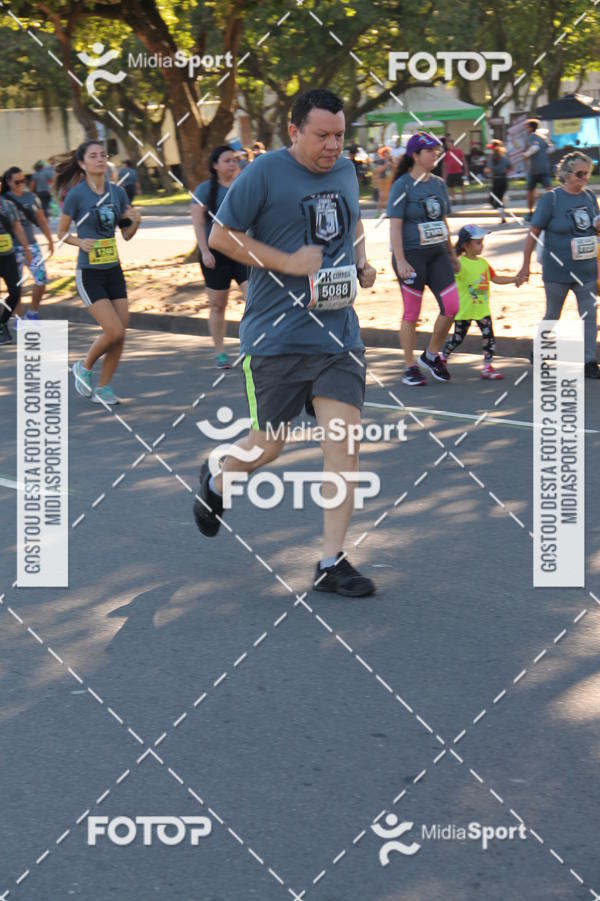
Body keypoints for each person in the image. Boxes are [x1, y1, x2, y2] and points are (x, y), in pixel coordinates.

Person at [193, 88, 378, 597]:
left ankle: (330, 562)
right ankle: (219, 477)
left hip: (338, 336)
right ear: (294, 131)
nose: (333, 145)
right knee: (268, 445)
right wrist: (288, 262)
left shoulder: (345, 170)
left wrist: (362, 262)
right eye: (322, 135)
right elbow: (221, 236)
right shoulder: (265, 172)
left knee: (345, 445)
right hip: (276, 339)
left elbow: (354, 221)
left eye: (339, 135)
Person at [55, 139, 141, 404]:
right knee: (113, 330)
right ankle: (83, 367)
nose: (100, 159)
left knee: (121, 333)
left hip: (113, 270)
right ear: (82, 164)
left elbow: (126, 234)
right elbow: (61, 233)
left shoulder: (118, 193)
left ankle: (103, 389)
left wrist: (136, 222)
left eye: (103, 155)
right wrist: (79, 242)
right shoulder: (77, 195)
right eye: (93, 156)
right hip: (89, 273)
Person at [516, 151, 600, 378]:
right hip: (557, 271)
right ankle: (538, 350)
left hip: (586, 271)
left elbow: (596, 231)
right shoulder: (551, 199)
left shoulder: (590, 197)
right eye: (580, 174)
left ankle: (589, 361)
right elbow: (533, 233)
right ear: (566, 174)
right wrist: (525, 266)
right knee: (553, 314)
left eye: (588, 173)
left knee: (590, 316)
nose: (585, 178)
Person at [387, 131, 460, 386]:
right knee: (412, 312)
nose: (435, 155)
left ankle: (431, 354)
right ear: (415, 155)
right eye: (430, 152)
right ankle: (410, 366)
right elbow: (395, 225)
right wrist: (400, 260)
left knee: (452, 306)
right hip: (411, 256)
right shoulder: (402, 185)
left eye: (437, 152)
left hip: (437, 254)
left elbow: (443, 221)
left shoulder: (438, 184)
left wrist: (452, 253)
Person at [191, 144, 248, 369]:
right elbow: (198, 223)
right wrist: (204, 251)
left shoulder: (242, 186)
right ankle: (220, 352)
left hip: (241, 252)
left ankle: (251, 347)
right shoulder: (204, 190)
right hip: (215, 255)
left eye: (234, 160)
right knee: (218, 305)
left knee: (253, 300)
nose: (232, 164)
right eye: (227, 160)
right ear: (215, 165)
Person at [442, 224, 518, 379]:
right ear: (466, 245)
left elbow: (495, 278)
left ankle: (487, 367)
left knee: (489, 338)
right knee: (457, 338)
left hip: (482, 310)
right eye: (477, 243)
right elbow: (448, 267)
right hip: (464, 310)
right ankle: (442, 357)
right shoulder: (459, 264)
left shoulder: (483, 263)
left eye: (482, 242)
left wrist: (514, 279)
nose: (481, 245)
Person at [1, 166, 54, 321]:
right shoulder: (4, 200)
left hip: (32, 246)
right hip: (11, 250)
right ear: (9, 182)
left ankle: (32, 312)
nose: (21, 184)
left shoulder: (32, 197)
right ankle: (18, 319)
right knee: (16, 288)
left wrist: (50, 240)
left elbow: (41, 220)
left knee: (41, 279)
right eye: (17, 182)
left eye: (23, 180)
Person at [0, 195, 31, 344]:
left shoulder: (8, 205)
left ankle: (2, 322)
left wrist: (27, 249)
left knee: (15, 291)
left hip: (8, 256)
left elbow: (17, 228)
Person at [523, 119, 552, 221]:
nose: (525, 129)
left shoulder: (531, 137)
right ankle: (553, 209)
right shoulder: (543, 137)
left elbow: (535, 147)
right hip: (545, 167)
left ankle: (530, 212)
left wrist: (526, 155)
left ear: (530, 128)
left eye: (526, 127)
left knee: (530, 191)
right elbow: (550, 149)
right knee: (549, 189)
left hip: (534, 169)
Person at [484, 139, 511, 224]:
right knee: (500, 199)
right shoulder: (504, 157)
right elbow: (510, 167)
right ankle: (502, 212)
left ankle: (501, 211)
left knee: (492, 200)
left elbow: (488, 170)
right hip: (504, 179)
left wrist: (487, 172)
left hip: (496, 180)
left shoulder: (491, 157)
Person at [443, 137, 466, 204]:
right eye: (448, 145)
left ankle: (464, 200)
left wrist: (466, 170)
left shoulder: (459, 151)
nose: (449, 146)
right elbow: (445, 165)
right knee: (451, 187)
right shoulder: (446, 153)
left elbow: (464, 161)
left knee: (461, 186)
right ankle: (454, 200)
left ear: (453, 145)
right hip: (450, 173)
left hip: (458, 172)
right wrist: (444, 175)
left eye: (450, 145)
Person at [374, 146, 394, 212]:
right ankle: (379, 212)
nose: (388, 154)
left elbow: (395, 169)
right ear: (383, 153)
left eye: (389, 152)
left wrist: (392, 165)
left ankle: (389, 212)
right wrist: (386, 165)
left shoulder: (391, 160)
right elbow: (379, 170)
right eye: (387, 153)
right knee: (382, 196)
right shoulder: (381, 161)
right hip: (382, 180)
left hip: (389, 179)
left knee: (389, 196)